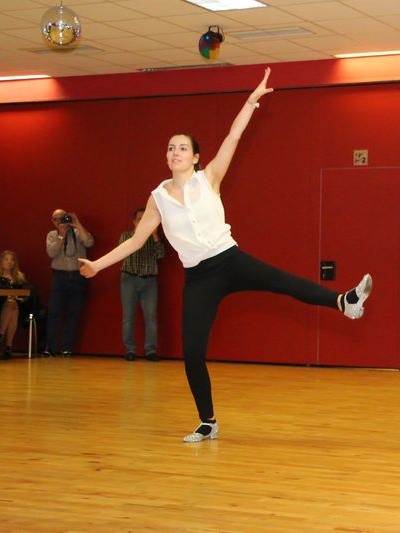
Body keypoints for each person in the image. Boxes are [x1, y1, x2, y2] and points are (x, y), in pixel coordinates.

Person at [78, 68, 372, 443]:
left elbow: (234, 135)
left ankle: (344, 302)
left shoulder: (210, 177)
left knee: (284, 283)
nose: (175, 152)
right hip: (199, 277)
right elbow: (136, 241)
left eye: (182, 148)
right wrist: (97, 264)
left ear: (196, 157)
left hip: (229, 260)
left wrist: (251, 102)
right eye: (170, 148)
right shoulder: (158, 198)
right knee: (192, 352)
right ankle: (208, 421)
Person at [119, 207, 166, 362]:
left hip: (149, 281)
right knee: (128, 316)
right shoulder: (126, 236)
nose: (143, 221)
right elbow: (125, 251)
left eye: (146, 219)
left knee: (151, 316)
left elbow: (161, 255)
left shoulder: (154, 238)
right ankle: (130, 350)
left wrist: (155, 236)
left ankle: (150, 350)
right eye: (140, 219)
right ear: (134, 221)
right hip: (129, 279)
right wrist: (140, 235)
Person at [45, 209, 93, 356]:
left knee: (73, 313)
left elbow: (89, 242)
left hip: (78, 276)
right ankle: (49, 347)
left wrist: (77, 223)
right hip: (59, 276)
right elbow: (51, 252)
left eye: (63, 217)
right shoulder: (52, 235)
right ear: (53, 221)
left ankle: (67, 347)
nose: (61, 221)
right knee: (54, 313)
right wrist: (61, 234)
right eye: (57, 219)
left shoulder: (77, 232)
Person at [0, 250, 29, 359]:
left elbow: (26, 295)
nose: (9, 262)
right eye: (6, 259)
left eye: (12, 260)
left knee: (12, 305)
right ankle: (8, 346)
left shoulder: (20, 277)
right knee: (11, 306)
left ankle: (0, 336)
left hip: (18, 306)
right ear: (0, 261)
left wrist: (17, 298)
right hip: (0, 306)